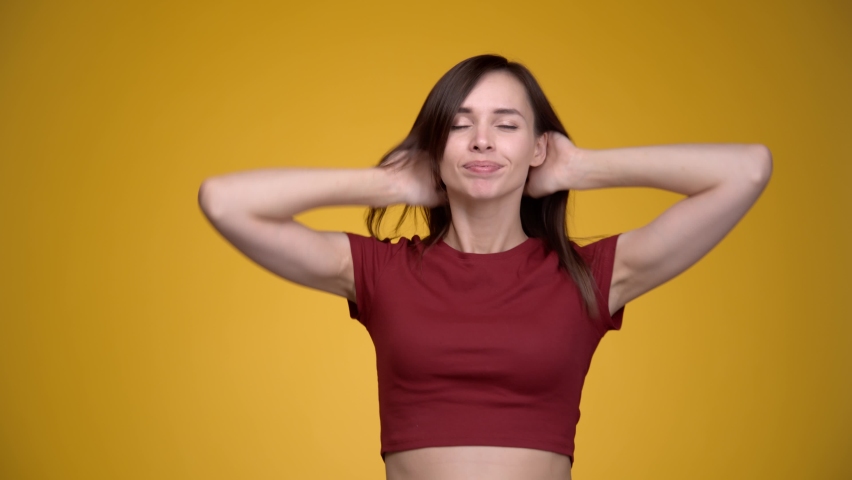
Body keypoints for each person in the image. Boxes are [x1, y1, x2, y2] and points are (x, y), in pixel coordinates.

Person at [198, 54, 772, 480]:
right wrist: (390, 183)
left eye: (506, 124)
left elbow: (746, 170)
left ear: (537, 148)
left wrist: (581, 168)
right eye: (459, 124)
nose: (480, 141)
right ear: (436, 148)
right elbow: (225, 201)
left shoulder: (590, 275)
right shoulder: (381, 271)